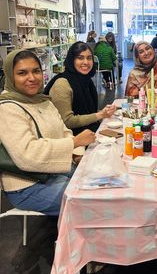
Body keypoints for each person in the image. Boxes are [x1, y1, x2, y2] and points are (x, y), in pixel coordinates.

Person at [0, 49, 96, 215]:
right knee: (89, 203)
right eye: (22, 73)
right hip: (27, 186)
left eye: (36, 71)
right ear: (10, 76)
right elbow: (27, 154)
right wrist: (75, 143)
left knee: (99, 182)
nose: (32, 78)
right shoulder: (8, 108)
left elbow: (64, 131)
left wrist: (77, 155)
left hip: (53, 171)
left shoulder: (42, 100)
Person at [44, 42, 116, 135]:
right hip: (73, 141)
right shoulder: (62, 84)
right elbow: (67, 121)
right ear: (72, 60)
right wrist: (100, 115)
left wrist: (103, 112)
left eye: (89, 58)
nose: (86, 62)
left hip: (88, 134)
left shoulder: (86, 81)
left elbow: (88, 112)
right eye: (80, 58)